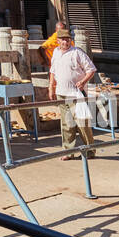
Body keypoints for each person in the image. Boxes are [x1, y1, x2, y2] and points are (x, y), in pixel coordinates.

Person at [48, 30, 97, 160]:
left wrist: (83, 81)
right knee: (66, 124)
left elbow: (91, 69)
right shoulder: (56, 53)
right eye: (63, 39)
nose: (65, 42)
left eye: (67, 39)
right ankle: (68, 151)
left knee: (82, 123)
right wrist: (51, 87)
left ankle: (90, 150)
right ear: (58, 41)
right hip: (61, 92)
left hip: (76, 94)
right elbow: (52, 71)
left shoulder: (77, 52)